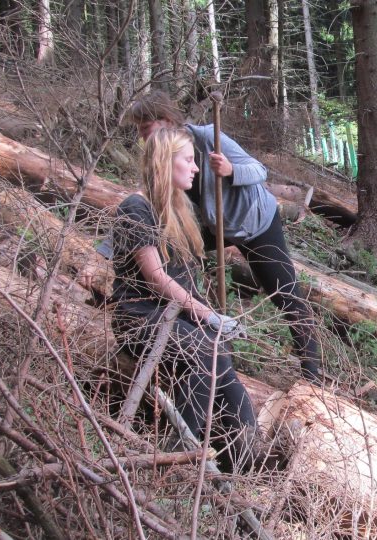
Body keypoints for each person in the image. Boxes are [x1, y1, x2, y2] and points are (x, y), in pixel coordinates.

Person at [102, 90, 322, 381]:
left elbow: (259, 170)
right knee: (174, 261)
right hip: (212, 226)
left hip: (253, 222)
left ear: (167, 120)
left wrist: (230, 170)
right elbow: (150, 209)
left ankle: (313, 373)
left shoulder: (207, 137)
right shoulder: (163, 157)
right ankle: (201, 335)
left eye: (146, 129)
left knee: (284, 293)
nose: (143, 138)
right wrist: (110, 248)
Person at [110, 127, 256, 465]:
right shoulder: (136, 207)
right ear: (165, 162)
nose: (195, 168)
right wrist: (206, 315)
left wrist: (212, 320)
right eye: (188, 160)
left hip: (174, 317)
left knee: (221, 355)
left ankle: (246, 457)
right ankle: (181, 453)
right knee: (206, 350)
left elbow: (187, 280)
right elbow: (156, 277)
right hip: (139, 316)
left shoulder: (179, 210)